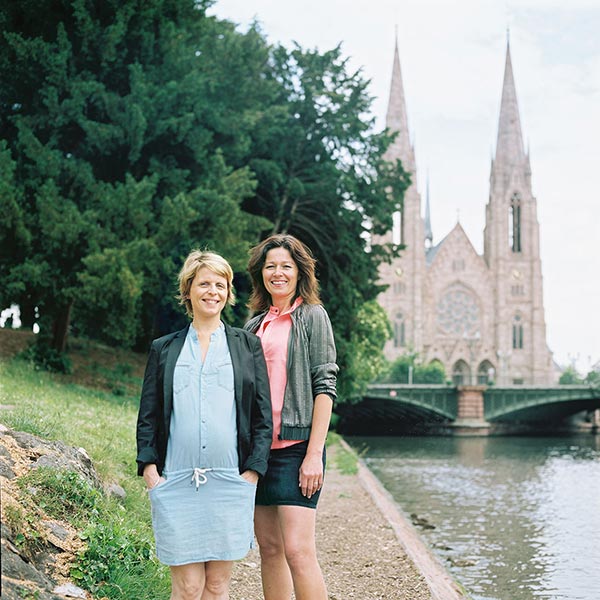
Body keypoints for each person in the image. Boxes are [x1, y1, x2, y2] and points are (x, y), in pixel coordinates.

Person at [136, 250, 272, 600]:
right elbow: (148, 414)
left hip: (230, 481)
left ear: (228, 292)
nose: (213, 291)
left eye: (220, 284)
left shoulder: (248, 346)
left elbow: (262, 416)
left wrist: (252, 473)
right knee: (188, 586)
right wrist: (150, 470)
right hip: (176, 480)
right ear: (189, 290)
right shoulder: (164, 349)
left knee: (216, 586)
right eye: (204, 284)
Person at [244, 234, 338, 600]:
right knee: (269, 550)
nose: (278, 273)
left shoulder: (313, 317)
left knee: (299, 551)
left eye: (286, 266)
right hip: (258, 452)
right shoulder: (253, 326)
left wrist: (314, 454)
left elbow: (325, 386)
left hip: (298, 449)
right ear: (261, 274)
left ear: (299, 272)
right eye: (270, 266)